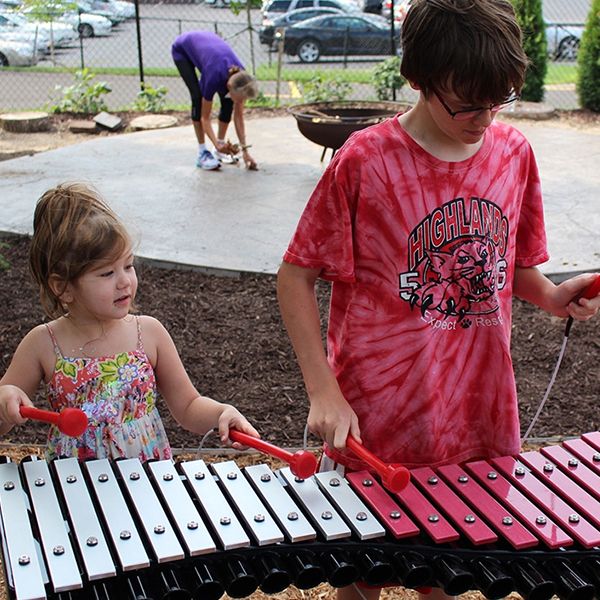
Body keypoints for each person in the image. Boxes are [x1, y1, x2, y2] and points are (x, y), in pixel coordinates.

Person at [276, 1, 600, 599]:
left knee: (446, 565)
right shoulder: (365, 163)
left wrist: (555, 297)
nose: (483, 118)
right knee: (362, 566)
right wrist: (324, 390)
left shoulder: (513, 154)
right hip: (379, 409)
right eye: (467, 103)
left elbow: (514, 270)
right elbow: (294, 276)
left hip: (476, 406)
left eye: (498, 100)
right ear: (420, 79)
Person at [0, 183, 259, 461]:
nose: (125, 281)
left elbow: (188, 406)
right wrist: (6, 400)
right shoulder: (43, 344)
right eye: (107, 273)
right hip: (75, 486)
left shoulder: (148, 333)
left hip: (144, 481)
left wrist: (221, 413)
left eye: (128, 265)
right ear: (63, 287)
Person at [171, 30, 259, 171]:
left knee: (228, 103)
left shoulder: (242, 77)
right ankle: (202, 152)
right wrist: (216, 143)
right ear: (230, 87)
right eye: (240, 99)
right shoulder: (213, 77)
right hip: (183, 49)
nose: (241, 102)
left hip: (209, 49)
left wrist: (245, 152)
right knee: (197, 97)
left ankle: (218, 149)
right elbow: (205, 118)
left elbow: (238, 117)